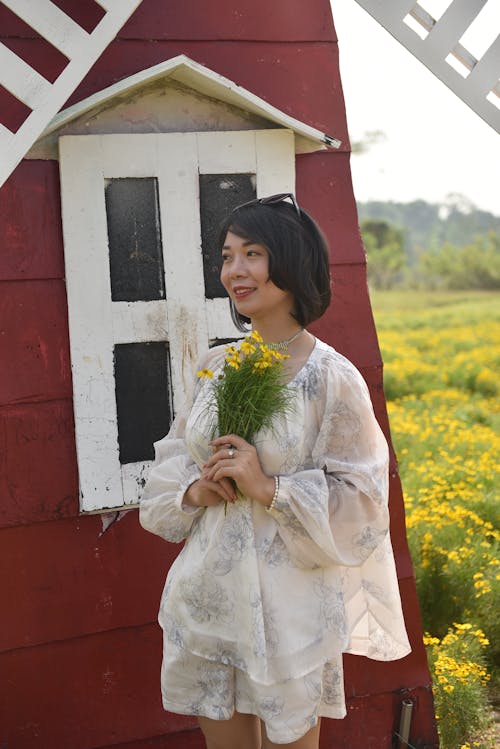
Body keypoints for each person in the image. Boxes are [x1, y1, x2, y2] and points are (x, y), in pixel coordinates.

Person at [139, 193, 411, 748]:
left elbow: (362, 503)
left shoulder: (331, 378)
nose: (235, 271)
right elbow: (173, 458)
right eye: (227, 255)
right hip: (209, 602)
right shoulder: (217, 365)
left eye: (253, 253)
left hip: (291, 612)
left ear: (289, 259)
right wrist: (196, 489)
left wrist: (270, 488)